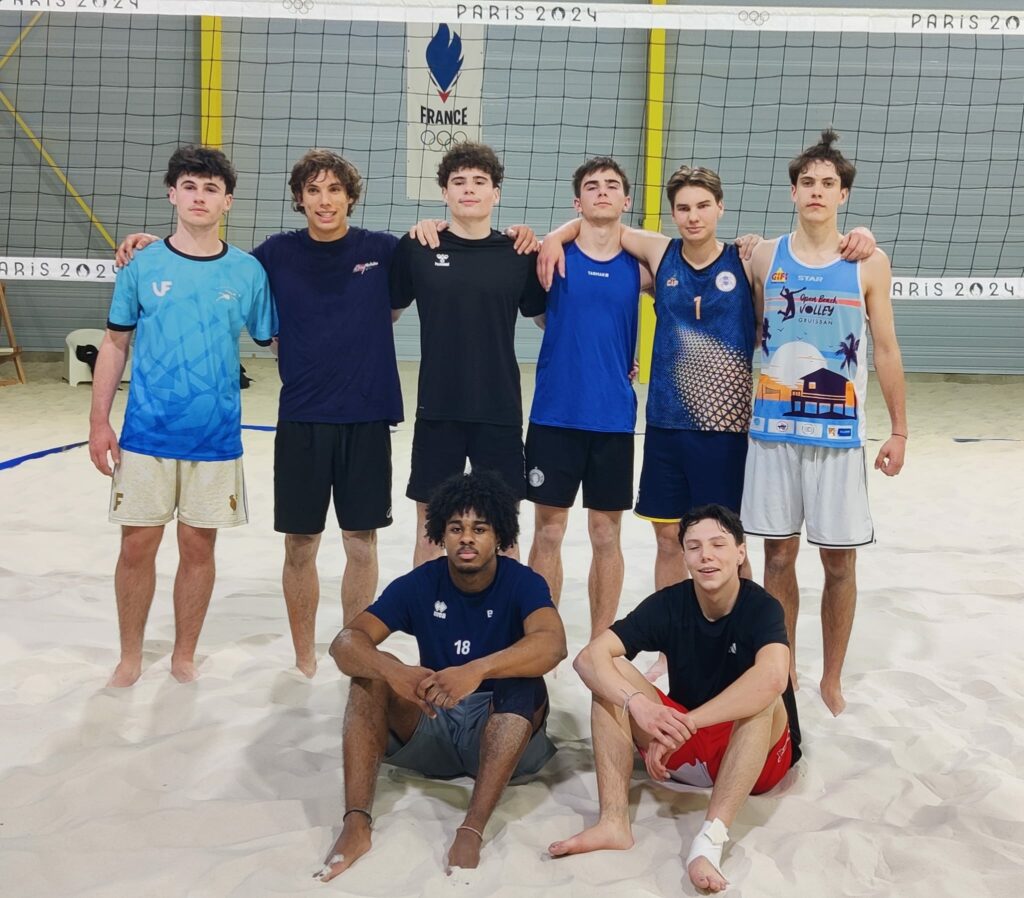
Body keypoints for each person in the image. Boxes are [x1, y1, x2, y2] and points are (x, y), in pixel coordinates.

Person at [539, 164, 875, 679]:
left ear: (720, 207)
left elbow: (801, 270)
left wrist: (862, 234)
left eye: (702, 206)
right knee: (669, 540)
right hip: (665, 425)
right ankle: (672, 647)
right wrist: (554, 236)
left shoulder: (748, 259)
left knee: (728, 543)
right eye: (683, 208)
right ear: (672, 213)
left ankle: (740, 644)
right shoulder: (660, 253)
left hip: (726, 431)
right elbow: (600, 224)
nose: (693, 216)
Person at [318, 471, 566, 881]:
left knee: (524, 681)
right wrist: (394, 671)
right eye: (456, 528)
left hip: (501, 734)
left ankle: (472, 827)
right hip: (433, 719)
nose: (466, 538)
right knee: (368, 675)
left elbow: (553, 645)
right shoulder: (421, 583)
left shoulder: (522, 581)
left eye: (479, 529)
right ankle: (356, 822)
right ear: (441, 535)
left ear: (499, 536)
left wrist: (476, 670)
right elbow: (345, 644)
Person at [89, 145, 277, 687]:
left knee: (198, 549)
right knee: (136, 546)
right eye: (189, 187)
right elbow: (115, 343)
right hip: (146, 434)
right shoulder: (142, 263)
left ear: (227, 201)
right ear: (172, 194)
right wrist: (99, 422)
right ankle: (129, 656)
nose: (199, 197)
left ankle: (183, 655)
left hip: (214, 438)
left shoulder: (248, 272)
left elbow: (277, 343)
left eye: (211, 189)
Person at [548, 504, 801, 894]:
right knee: (609, 681)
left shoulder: (761, 607)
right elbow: (588, 658)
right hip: (684, 747)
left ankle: (708, 843)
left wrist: (688, 723)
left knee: (765, 700)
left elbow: (773, 678)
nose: (706, 556)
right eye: (694, 547)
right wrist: (638, 705)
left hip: (754, 761)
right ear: (683, 556)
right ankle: (613, 823)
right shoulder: (670, 603)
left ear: (740, 552)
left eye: (718, 544)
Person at [742, 129, 908, 716]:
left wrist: (899, 430)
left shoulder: (868, 261)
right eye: (807, 182)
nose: (816, 190)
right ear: (793, 192)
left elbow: (885, 349)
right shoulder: (763, 256)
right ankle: (782, 670)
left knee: (839, 561)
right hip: (773, 436)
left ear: (843, 195)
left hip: (838, 439)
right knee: (777, 558)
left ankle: (831, 678)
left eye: (827, 183)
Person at [390, 142, 548, 567]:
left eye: (480, 181)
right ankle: (429, 608)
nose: (469, 189)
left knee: (504, 528)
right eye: (458, 182)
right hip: (438, 406)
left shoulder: (519, 253)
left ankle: (508, 608)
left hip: (498, 407)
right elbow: (386, 313)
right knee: (431, 528)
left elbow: (546, 321)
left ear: (496, 193)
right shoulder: (418, 247)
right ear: (444, 192)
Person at [526, 156, 647, 638]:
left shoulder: (641, 267)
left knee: (605, 533)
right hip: (555, 415)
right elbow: (541, 316)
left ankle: (601, 640)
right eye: (592, 186)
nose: (602, 191)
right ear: (577, 202)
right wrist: (555, 236)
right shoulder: (552, 257)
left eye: (612, 185)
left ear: (626, 201)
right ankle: (541, 636)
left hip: (613, 418)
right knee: (549, 531)